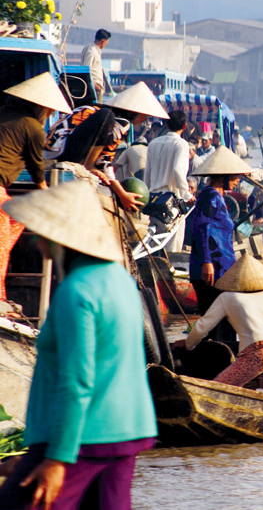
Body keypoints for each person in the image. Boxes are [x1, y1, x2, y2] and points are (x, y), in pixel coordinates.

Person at [0, 180, 157, 509]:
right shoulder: (121, 281)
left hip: (84, 437)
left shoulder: (76, 292)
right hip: (128, 430)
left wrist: (56, 458)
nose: (37, 238)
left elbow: (77, 380)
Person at [175, 254, 263, 393]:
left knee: (217, 390)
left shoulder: (227, 297)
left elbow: (202, 327)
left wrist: (188, 345)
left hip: (259, 352)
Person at [45, 81, 170, 212]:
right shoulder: (116, 121)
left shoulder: (97, 110)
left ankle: (90, 164)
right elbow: (105, 163)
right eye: (145, 116)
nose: (145, 120)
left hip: (55, 149)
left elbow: (104, 160)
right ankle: (89, 165)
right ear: (134, 112)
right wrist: (123, 194)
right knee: (106, 117)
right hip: (60, 150)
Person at [0, 73, 71, 301]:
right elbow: (36, 166)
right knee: (1, 250)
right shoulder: (34, 128)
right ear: (44, 108)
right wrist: (45, 190)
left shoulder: (4, 112)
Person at [189, 147, 253, 316]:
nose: (238, 180)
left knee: (224, 320)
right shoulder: (210, 197)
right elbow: (202, 230)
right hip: (211, 271)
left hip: (220, 269)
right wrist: (206, 262)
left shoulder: (218, 197)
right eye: (235, 176)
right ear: (222, 176)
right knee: (214, 319)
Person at [144, 110, 195, 252]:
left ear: (166, 125)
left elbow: (147, 174)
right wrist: (187, 195)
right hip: (171, 203)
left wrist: (146, 196)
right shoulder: (181, 144)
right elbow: (178, 171)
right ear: (184, 126)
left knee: (153, 243)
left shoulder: (153, 143)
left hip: (154, 200)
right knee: (172, 247)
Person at [81, 28, 111, 103]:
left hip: (96, 87)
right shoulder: (92, 51)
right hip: (94, 88)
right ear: (103, 41)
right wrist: (95, 86)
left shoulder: (93, 49)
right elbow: (86, 70)